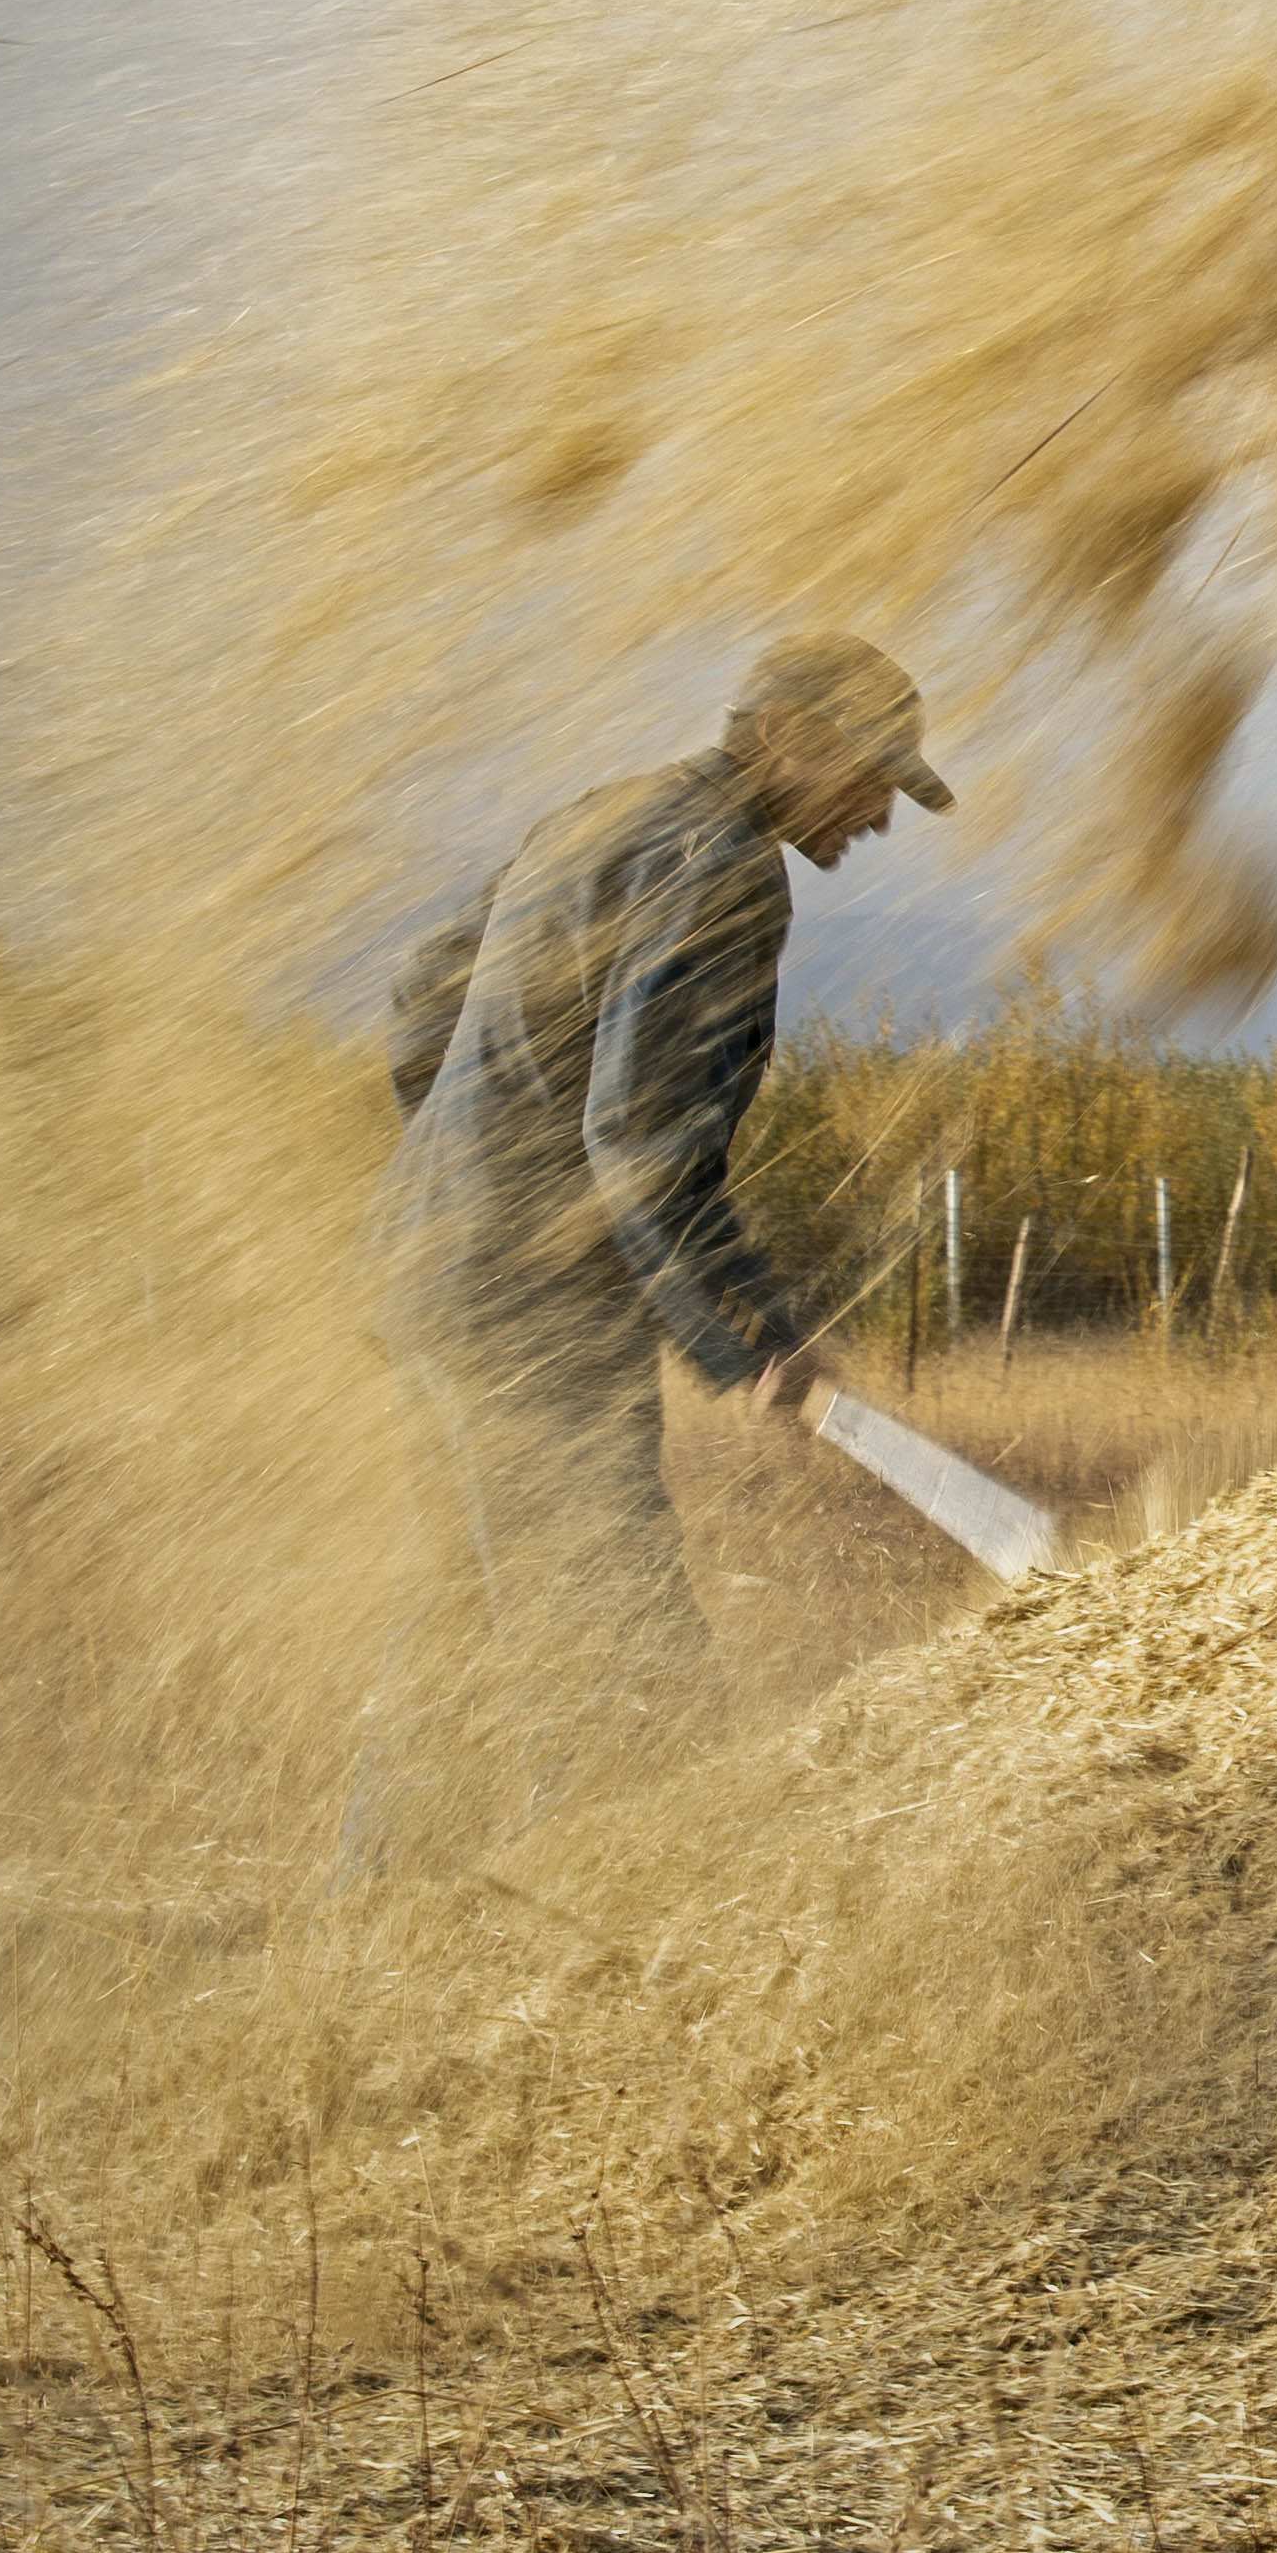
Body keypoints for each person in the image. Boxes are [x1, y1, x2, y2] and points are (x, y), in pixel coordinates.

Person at [336, 633, 953, 1877]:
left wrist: (468, 1166)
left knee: (464, 1608)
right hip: (530, 1304)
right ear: (782, 733)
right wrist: (753, 1328)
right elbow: (636, 1129)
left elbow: (417, 1001)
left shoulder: (597, 815)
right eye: (871, 773)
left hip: (432, 1267)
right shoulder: (726, 868)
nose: (882, 811)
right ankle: (631, 1939)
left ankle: (375, 1924)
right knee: (618, 1647)